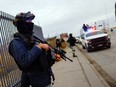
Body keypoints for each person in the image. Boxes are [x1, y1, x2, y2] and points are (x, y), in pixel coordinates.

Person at [8, 11, 60, 87]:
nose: (31, 23)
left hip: (46, 79)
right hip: (33, 82)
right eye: (28, 21)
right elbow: (24, 61)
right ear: (22, 24)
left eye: (31, 20)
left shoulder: (34, 39)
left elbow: (40, 60)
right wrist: (39, 47)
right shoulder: (16, 43)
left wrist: (53, 57)